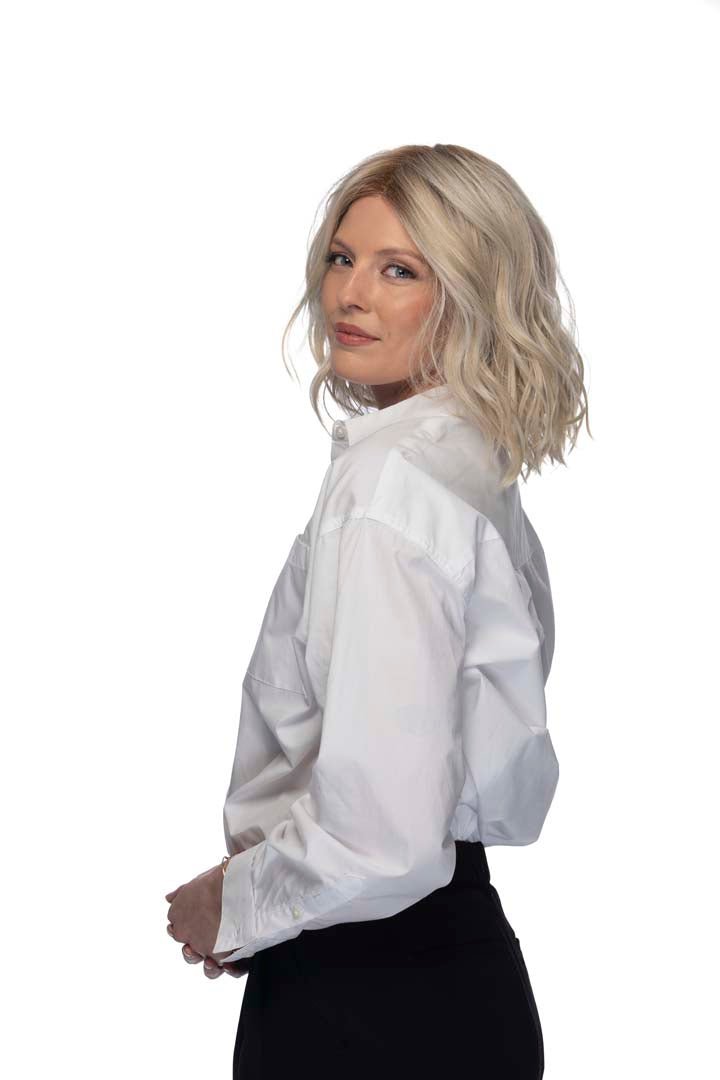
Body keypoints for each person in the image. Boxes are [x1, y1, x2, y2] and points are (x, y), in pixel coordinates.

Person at [165, 143, 591, 1078]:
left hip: (364, 994)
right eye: (341, 257)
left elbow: (383, 839)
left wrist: (232, 903)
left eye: (399, 270)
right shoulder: (468, 469)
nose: (349, 294)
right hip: (454, 972)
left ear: (471, 296)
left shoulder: (387, 489)